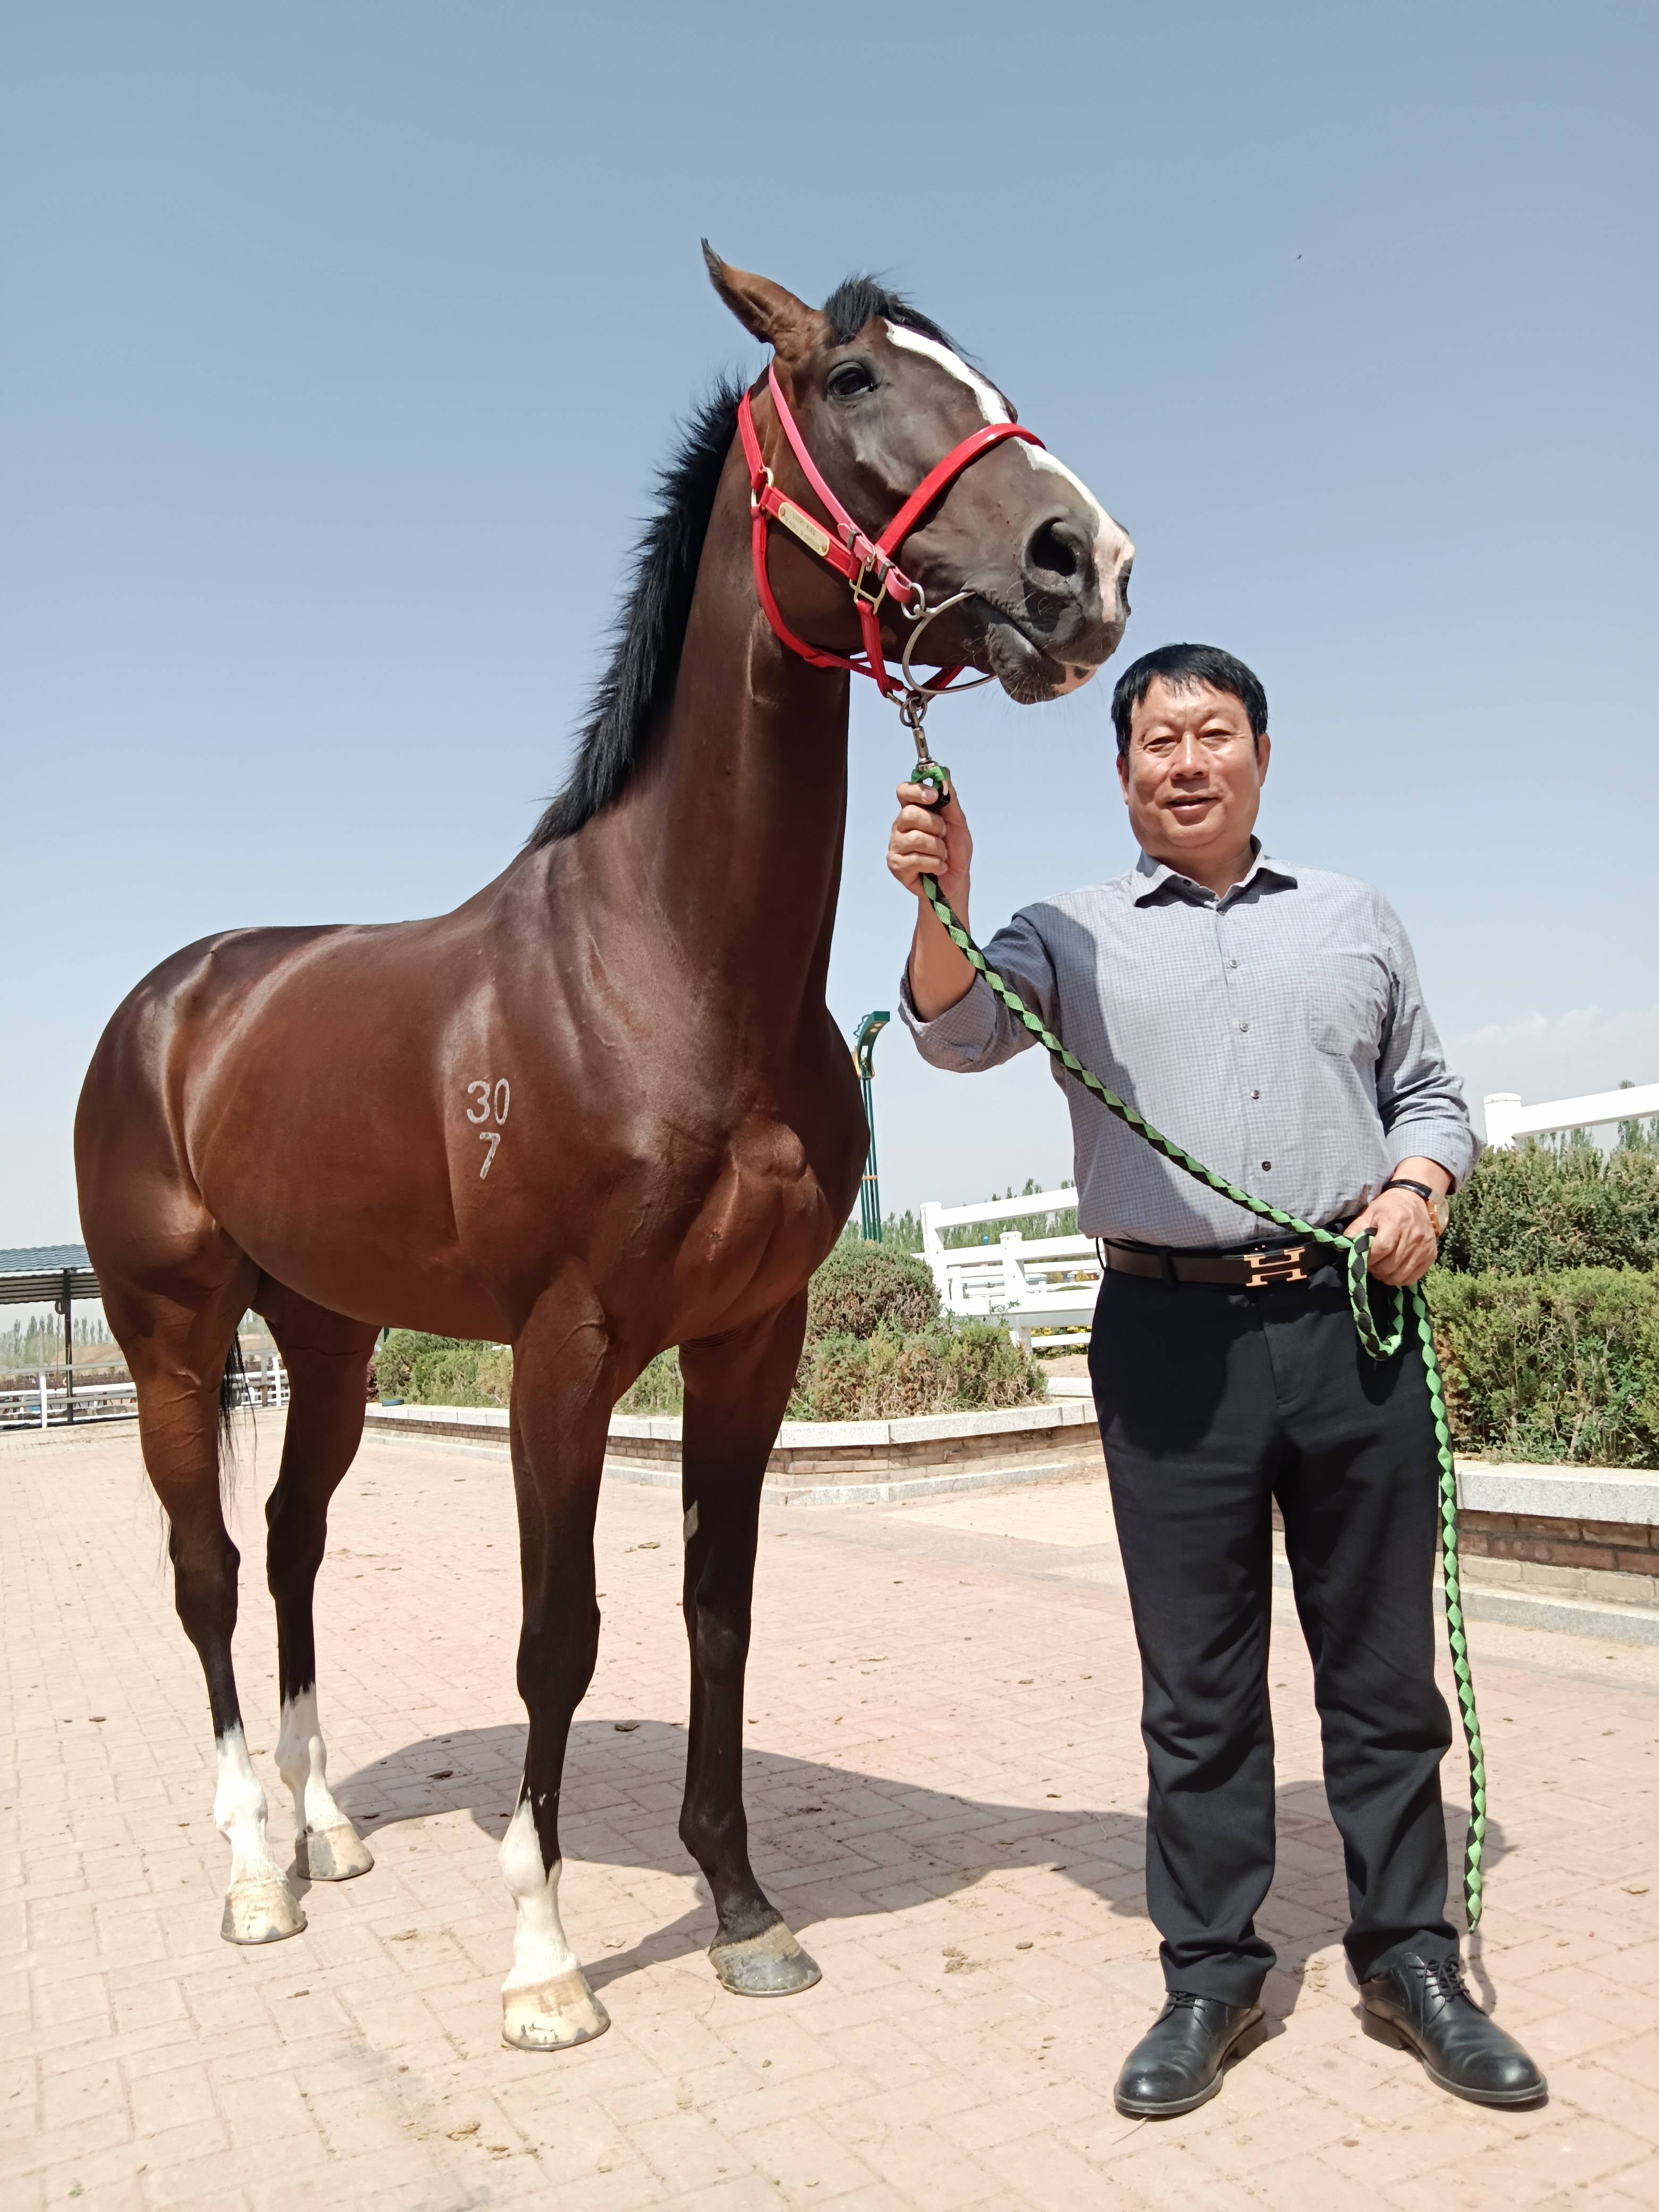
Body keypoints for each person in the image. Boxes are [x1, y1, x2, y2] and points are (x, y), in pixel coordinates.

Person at [887, 642, 1545, 2117]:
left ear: (1258, 753)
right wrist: (945, 896)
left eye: (1213, 732)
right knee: (1197, 1687)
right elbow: (956, 1032)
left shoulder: (1356, 920)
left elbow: (1429, 1091)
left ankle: (1411, 1959)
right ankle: (1210, 1974)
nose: (1185, 759)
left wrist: (1421, 1183)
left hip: (1347, 1323)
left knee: (1381, 1680)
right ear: (1121, 775)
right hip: (1167, 1340)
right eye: (1155, 741)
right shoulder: (1069, 931)